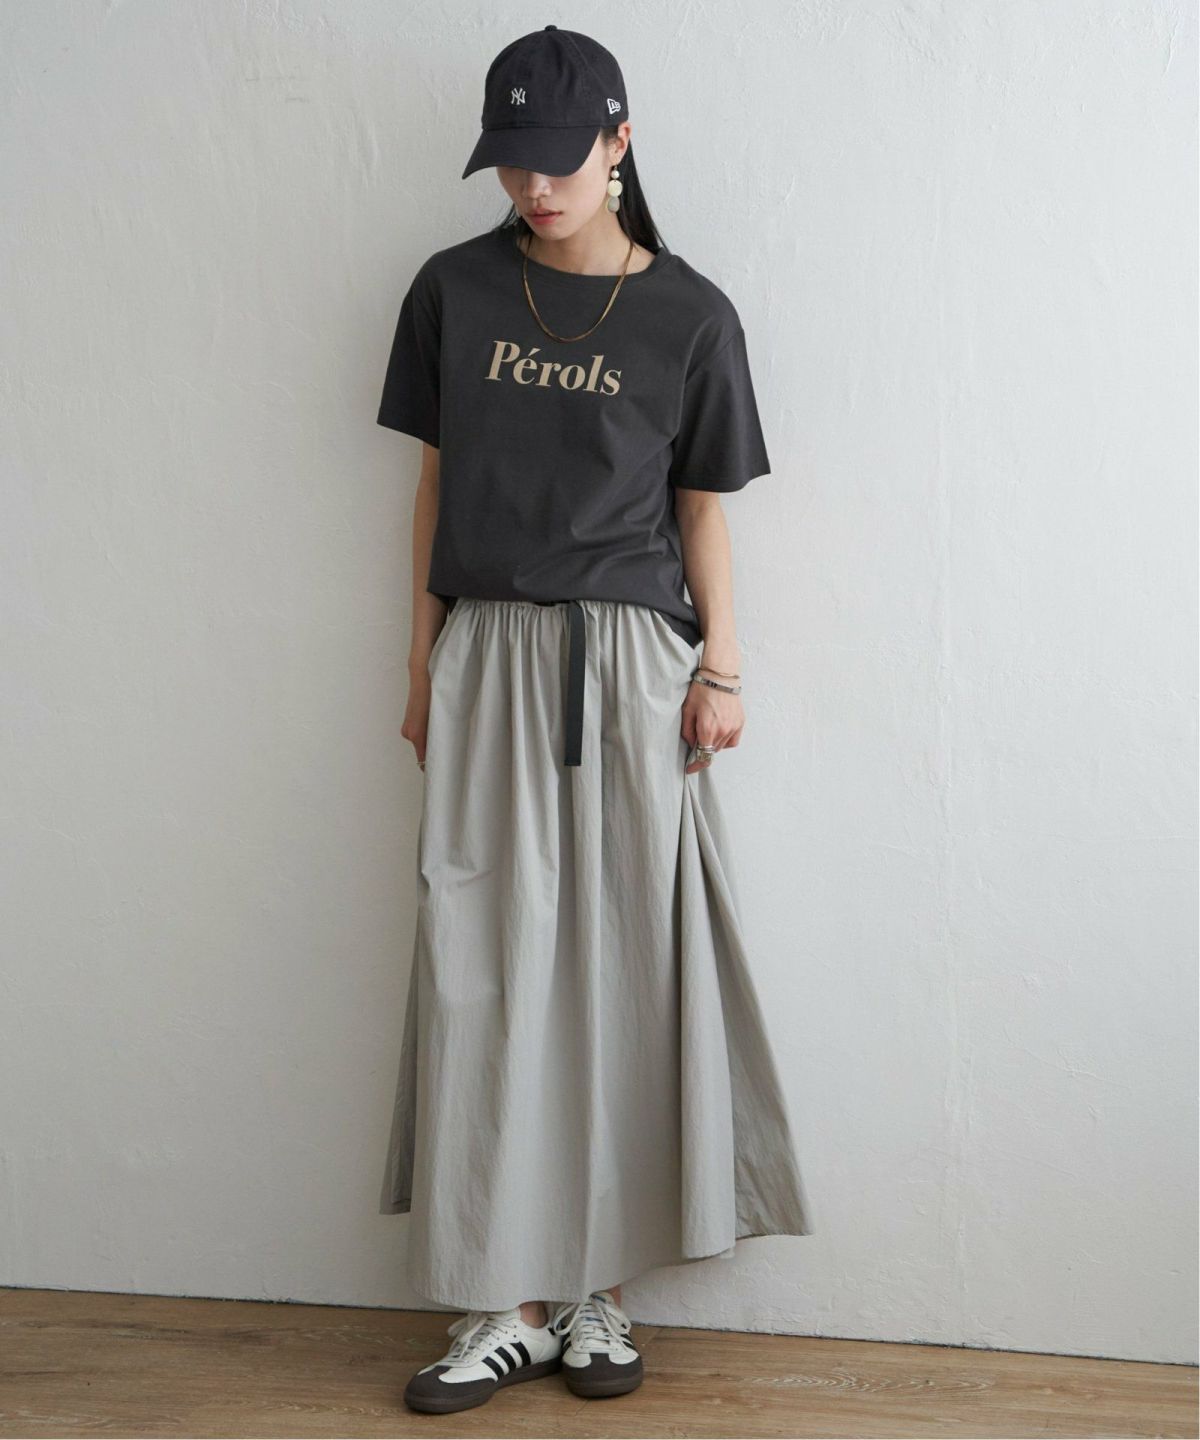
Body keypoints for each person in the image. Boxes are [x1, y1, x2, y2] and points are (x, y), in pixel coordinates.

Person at [374, 25, 814, 1417]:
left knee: (628, 965)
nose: (533, 186)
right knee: (481, 959)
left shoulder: (692, 315)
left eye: (558, 159)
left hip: (631, 665)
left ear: (619, 141)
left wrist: (723, 669)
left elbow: (702, 511)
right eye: (511, 161)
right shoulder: (452, 290)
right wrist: (423, 659)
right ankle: (497, 1299)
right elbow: (434, 483)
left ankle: (594, 1294)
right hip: (491, 651)